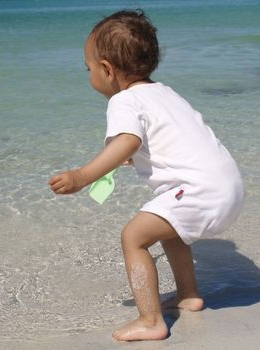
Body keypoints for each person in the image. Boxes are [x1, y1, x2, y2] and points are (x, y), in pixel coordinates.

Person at [49, 10, 244, 342]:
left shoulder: (124, 100)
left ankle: (151, 320)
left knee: (134, 237)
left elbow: (128, 140)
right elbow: (164, 139)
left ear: (107, 70)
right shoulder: (165, 92)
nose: (90, 75)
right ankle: (188, 294)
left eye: (89, 68)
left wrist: (83, 176)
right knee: (171, 230)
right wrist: (133, 156)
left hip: (198, 190)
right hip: (228, 186)